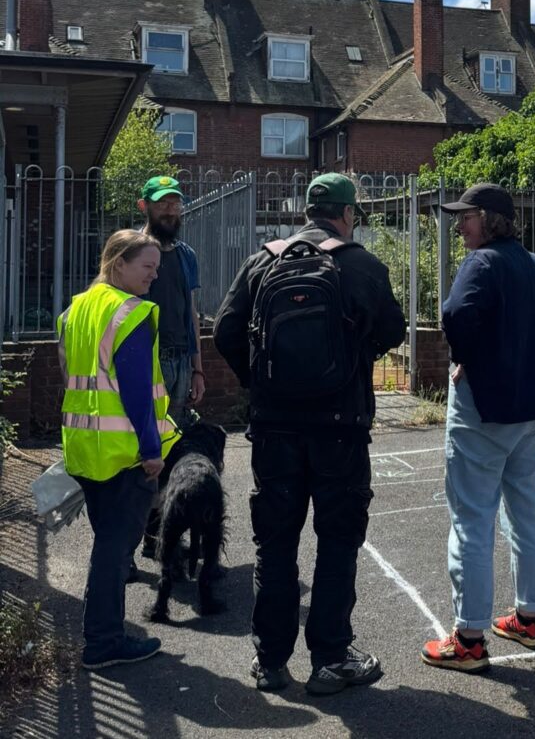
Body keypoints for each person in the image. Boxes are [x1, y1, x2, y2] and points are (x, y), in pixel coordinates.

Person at [213, 173, 405, 696]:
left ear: (308, 213)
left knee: (274, 544)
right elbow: (394, 331)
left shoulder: (263, 261)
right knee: (337, 542)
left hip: (274, 429)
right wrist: (348, 358)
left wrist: (263, 384)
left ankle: (270, 662)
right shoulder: (361, 264)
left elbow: (226, 332)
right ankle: (331, 659)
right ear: (347, 214)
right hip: (340, 428)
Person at [421, 184, 535, 672]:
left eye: (466, 217)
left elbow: (455, 314)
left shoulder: (483, 263)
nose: (459, 225)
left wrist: (466, 357)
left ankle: (469, 638)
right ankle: (529, 619)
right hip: (532, 409)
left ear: (491, 219)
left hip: (486, 408)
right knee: (527, 505)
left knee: (472, 516)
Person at [56, 229, 179, 669]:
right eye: (146, 266)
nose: (153, 275)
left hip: (85, 445)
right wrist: (152, 450)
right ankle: (103, 641)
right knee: (114, 547)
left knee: (106, 542)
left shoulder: (76, 309)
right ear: (118, 263)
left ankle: (101, 632)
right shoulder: (130, 312)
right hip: (122, 452)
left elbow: (70, 372)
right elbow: (136, 393)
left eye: (157, 268)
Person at [138, 176, 205, 425]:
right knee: (145, 438)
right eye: (162, 204)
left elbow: (191, 313)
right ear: (143, 206)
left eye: (175, 205)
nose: (170, 212)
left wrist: (197, 369)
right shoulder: (130, 251)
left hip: (182, 362)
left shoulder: (186, 255)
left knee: (175, 435)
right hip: (147, 360)